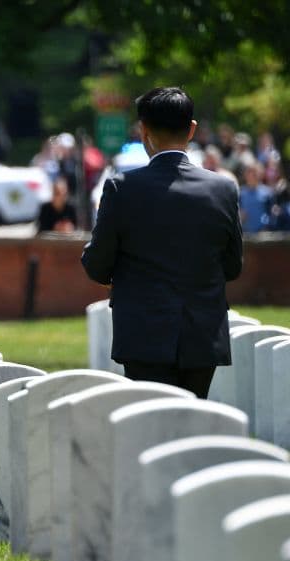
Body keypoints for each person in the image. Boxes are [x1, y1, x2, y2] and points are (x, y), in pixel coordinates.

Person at [82, 87, 243, 399]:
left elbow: (97, 265)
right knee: (194, 429)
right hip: (202, 335)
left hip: (143, 334)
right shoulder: (223, 189)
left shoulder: (121, 189)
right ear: (192, 129)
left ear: (144, 130)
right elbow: (233, 266)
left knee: (152, 432)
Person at [239, 162, 274, 233]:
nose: (251, 175)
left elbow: (271, 214)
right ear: (245, 175)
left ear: (260, 174)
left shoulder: (268, 192)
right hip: (246, 234)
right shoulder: (240, 193)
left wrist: (267, 226)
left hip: (263, 234)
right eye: (249, 172)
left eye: (254, 173)